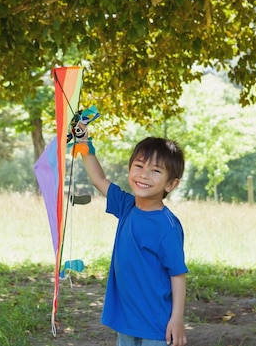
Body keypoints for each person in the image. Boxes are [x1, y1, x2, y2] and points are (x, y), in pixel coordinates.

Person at [73, 133, 188, 346]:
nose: (144, 175)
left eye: (155, 170)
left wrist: (177, 318)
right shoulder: (126, 206)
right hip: (126, 319)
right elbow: (99, 179)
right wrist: (83, 142)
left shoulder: (167, 227)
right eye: (139, 166)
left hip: (156, 324)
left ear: (171, 184)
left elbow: (178, 274)